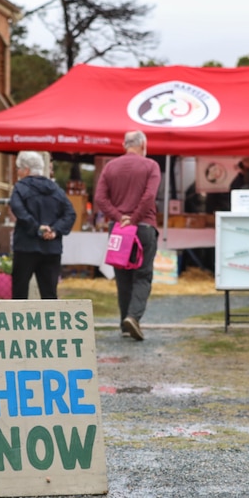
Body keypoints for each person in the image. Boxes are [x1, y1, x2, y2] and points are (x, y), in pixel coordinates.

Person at [94, 130, 161, 341]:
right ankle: (133, 317)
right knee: (142, 275)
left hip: (118, 229)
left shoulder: (110, 167)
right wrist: (133, 218)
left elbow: (100, 198)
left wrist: (119, 217)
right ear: (142, 144)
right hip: (143, 226)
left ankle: (124, 323)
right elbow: (149, 196)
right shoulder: (151, 166)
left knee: (122, 276)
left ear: (124, 145)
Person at [8, 151, 76, 300]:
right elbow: (70, 213)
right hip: (51, 248)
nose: (18, 172)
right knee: (50, 293)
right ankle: (51, 322)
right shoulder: (56, 190)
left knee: (20, 291)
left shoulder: (19, 188)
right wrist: (55, 230)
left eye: (18, 168)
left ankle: (19, 322)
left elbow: (18, 210)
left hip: (25, 246)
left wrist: (37, 228)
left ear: (26, 170)